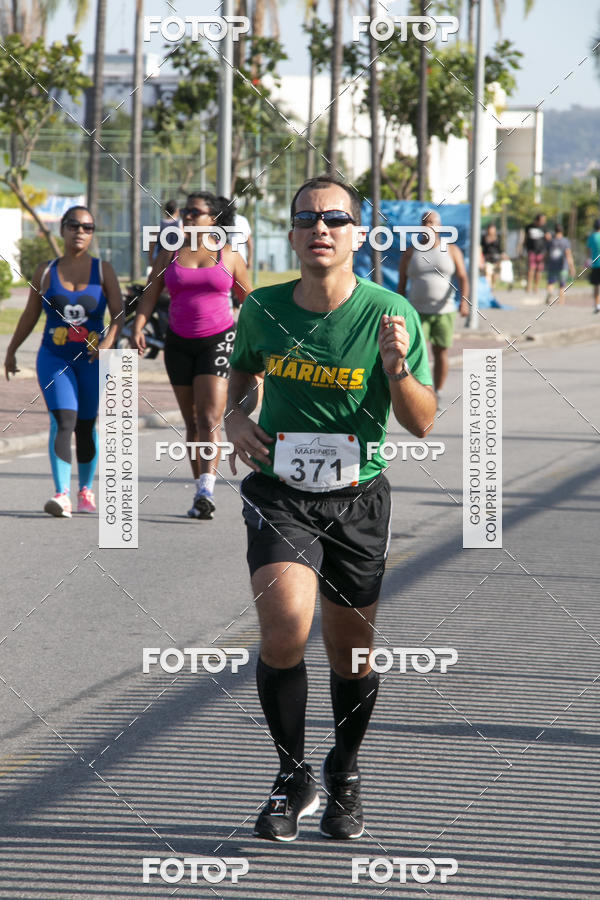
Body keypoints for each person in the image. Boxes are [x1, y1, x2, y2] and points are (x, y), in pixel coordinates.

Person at [226, 175, 435, 842]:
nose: (322, 227)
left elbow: (423, 424)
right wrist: (234, 419)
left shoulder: (389, 312)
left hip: (356, 500)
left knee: (351, 656)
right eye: (308, 218)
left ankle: (343, 771)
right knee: (285, 629)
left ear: (358, 234)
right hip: (280, 492)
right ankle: (292, 777)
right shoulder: (262, 307)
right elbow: (241, 373)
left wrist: (397, 368)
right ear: (290, 233)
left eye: (336, 218)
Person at [132, 191, 251, 519]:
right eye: (185, 210)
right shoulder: (169, 251)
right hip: (177, 343)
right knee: (191, 419)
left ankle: (206, 490)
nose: (186, 216)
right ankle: (199, 481)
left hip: (218, 339)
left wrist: (257, 341)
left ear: (213, 218)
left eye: (194, 212)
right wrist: (139, 327)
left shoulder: (229, 255)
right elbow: (150, 294)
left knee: (210, 416)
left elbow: (249, 300)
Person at [4, 206, 123, 517]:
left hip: (93, 359)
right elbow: (30, 313)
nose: (80, 232)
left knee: (86, 425)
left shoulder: (103, 270)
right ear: (63, 230)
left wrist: (109, 342)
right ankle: (62, 494)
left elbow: (119, 313)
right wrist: (12, 349)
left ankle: (85, 490)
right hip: (53, 357)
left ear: (93, 232)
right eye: (74, 225)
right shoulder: (45, 271)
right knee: (63, 421)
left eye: (87, 227)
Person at [398, 210, 469, 403]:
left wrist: (464, 302)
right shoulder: (411, 251)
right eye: (425, 222)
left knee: (441, 352)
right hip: (417, 312)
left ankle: (437, 391)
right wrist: (398, 309)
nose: (429, 226)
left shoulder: (451, 250)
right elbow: (402, 283)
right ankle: (418, 391)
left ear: (440, 226)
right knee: (414, 352)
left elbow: (463, 277)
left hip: (444, 311)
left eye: (432, 222)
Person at [545, 224, 575, 306]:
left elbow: (547, 254)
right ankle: (561, 302)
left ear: (555, 231)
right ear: (562, 231)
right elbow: (568, 254)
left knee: (551, 283)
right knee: (562, 285)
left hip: (552, 265)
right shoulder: (565, 241)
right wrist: (572, 267)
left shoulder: (551, 241)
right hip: (563, 266)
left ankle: (550, 294)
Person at [147, 199, 181, 267]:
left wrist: (151, 260)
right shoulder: (181, 225)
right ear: (177, 211)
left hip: (162, 262)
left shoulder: (158, 226)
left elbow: (151, 244)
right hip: (177, 262)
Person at [525, 212, 549, 295]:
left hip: (541, 252)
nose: (544, 222)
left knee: (539, 270)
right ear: (537, 220)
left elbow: (548, 238)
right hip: (532, 250)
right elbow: (525, 238)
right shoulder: (529, 227)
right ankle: (529, 285)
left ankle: (536, 286)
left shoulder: (544, 228)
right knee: (531, 268)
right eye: (542, 220)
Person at [481, 223, 503, 289]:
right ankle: (489, 287)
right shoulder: (484, 238)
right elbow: (481, 248)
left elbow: (500, 248)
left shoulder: (498, 237)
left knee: (494, 274)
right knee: (488, 273)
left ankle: (493, 286)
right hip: (487, 258)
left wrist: (502, 255)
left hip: (496, 258)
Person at [587, 218, 600, 313]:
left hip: (595, 264)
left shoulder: (591, 237)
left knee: (596, 286)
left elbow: (588, 252)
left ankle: (597, 305)